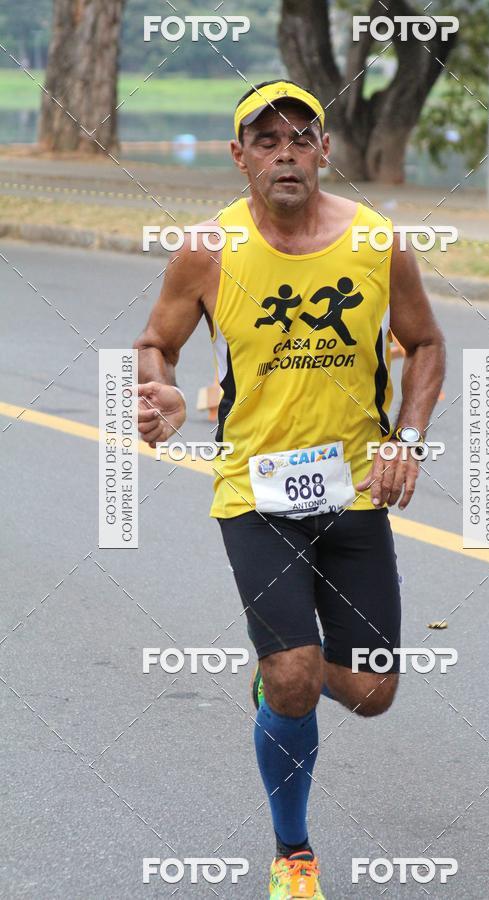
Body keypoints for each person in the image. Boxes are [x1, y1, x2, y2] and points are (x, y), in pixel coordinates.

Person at [134, 80, 446, 899]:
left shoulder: (377, 241)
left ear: (324, 151)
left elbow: (425, 344)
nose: (284, 153)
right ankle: (294, 853)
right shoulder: (206, 249)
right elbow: (154, 344)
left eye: (299, 138)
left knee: (374, 689)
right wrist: (158, 391)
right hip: (254, 493)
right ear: (239, 158)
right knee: (300, 673)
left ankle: (276, 676)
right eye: (264, 141)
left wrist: (406, 437)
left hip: (352, 491)